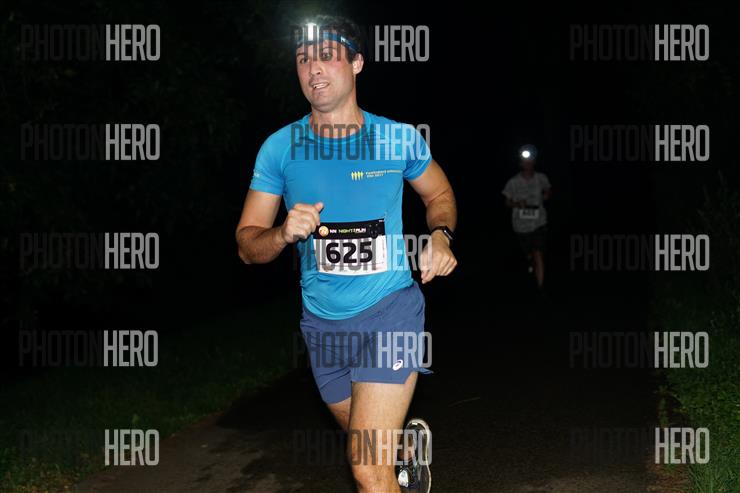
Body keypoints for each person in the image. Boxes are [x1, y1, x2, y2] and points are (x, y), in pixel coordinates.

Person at [235, 15, 457, 493]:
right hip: (323, 326)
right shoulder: (279, 149)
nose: (313, 68)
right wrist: (281, 234)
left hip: (390, 311)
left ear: (357, 63)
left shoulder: (397, 138)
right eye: (302, 59)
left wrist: (440, 236)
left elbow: (439, 194)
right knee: (368, 443)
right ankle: (407, 453)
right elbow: (247, 246)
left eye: (326, 55)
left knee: (367, 470)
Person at [502, 145, 551, 289]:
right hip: (521, 226)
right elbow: (506, 202)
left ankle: (540, 288)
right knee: (528, 254)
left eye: (530, 161)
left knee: (538, 253)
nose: (528, 164)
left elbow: (548, 191)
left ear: (534, 162)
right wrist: (517, 204)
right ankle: (529, 264)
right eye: (525, 161)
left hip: (539, 222)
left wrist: (546, 195)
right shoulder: (513, 182)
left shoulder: (541, 178)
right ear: (521, 163)